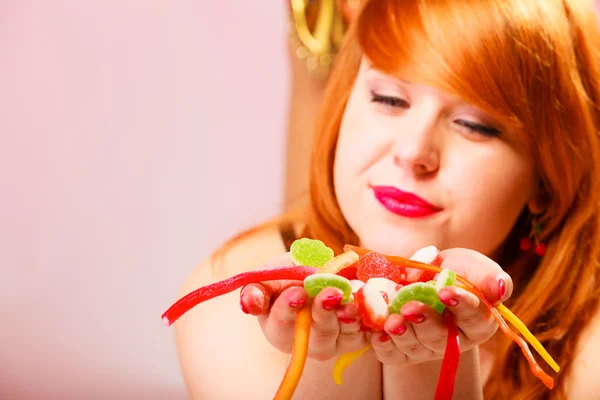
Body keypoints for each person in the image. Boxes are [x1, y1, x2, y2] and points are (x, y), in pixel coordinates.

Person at [174, 0, 600, 398]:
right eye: (390, 99)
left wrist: (431, 368)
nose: (414, 151)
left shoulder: (589, 349)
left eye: (474, 125)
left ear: (546, 182)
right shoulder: (233, 299)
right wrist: (327, 358)